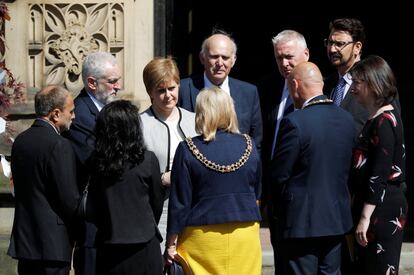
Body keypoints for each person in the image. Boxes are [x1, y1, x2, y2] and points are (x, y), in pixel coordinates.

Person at [165, 86, 262, 275]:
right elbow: (257, 193)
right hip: (245, 234)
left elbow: (180, 203)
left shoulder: (188, 148)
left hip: (202, 237)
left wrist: (171, 243)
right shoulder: (249, 145)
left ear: (202, 114)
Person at [270, 62, 355, 275]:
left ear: (295, 85)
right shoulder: (346, 120)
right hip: (336, 221)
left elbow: (279, 175)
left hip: (301, 223)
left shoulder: (295, 122)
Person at [8, 86, 79, 275]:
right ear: (56, 113)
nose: (73, 116)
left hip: (26, 244)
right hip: (53, 247)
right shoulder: (59, 145)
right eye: (70, 111)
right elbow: (69, 200)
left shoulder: (20, 142)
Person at [87, 100, 164, 274]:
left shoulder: (96, 163)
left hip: (110, 246)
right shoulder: (148, 160)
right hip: (144, 244)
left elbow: (94, 205)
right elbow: (156, 203)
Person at [63, 51, 121, 275]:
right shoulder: (79, 115)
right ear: (91, 83)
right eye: (112, 81)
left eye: (118, 80)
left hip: (113, 217)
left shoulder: (111, 109)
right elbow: (97, 161)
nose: (118, 86)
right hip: (92, 219)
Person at [257, 30, 309, 274]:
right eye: (279, 58)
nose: (284, 63)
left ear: (305, 54)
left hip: (309, 194)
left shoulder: (325, 88)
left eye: (289, 56)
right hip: (277, 195)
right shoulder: (267, 88)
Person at [349, 55, 407, 275]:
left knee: (380, 269)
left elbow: (379, 174)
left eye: (357, 82)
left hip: (381, 210)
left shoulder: (384, 121)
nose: (353, 88)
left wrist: (365, 219)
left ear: (372, 84)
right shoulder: (378, 118)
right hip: (374, 206)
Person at [140, 57, 197, 248]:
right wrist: (161, 178)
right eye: (160, 90)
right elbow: (134, 171)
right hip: (157, 211)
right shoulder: (139, 124)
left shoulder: (195, 121)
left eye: (171, 88)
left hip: (194, 209)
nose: (167, 95)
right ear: (150, 92)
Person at [178, 30, 262, 153]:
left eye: (225, 57)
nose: (220, 63)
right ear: (202, 58)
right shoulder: (183, 88)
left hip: (236, 167)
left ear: (233, 60)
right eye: (214, 56)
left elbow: (256, 141)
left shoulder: (249, 92)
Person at [323, 18, 368, 135]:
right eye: (329, 42)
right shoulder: (325, 85)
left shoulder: (373, 83)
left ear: (357, 47)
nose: (332, 49)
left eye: (339, 44)